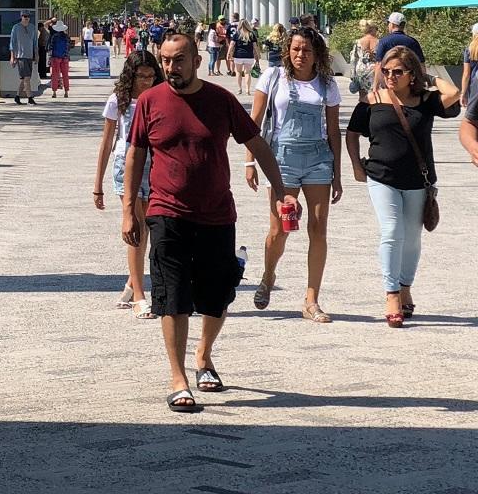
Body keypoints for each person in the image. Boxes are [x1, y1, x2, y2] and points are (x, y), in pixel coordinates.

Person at [122, 33, 294, 413]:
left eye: (179, 59)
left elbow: (257, 142)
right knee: (173, 295)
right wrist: (127, 211)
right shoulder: (150, 102)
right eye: (166, 60)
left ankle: (204, 355)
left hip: (216, 214)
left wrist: (280, 189)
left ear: (197, 60)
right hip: (166, 212)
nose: (171, 67)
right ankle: (178, 377)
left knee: (217, 296)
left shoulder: (220, 100)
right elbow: (135, 154)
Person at [345, 45, 460, 326]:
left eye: (398, 71)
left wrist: (428, 78)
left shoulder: (424, 100)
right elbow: (352, 133)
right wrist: (356, 166)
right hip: (381, 177)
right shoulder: (372, 99)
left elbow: (454, 94)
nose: (390, 76)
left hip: (418, 180)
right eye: (385, 71)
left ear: (412, 74)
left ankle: (406, 286)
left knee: (412, 238)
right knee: (392, 230)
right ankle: (392, 293)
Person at [245, 28, 342, 322]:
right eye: (296, 49)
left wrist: (337, 173)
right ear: (288, 50)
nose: (301, 55)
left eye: (307, 51)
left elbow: (334, 131)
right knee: (280, 228)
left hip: (318, 159)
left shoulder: (327, 85)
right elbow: (255, 122)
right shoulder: (273, 78)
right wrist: (249, 162)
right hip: (281, 159)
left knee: (318, 227)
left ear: (317, 55)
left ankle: (312, 299)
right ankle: (268, 274)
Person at [95, 50, 160, 318]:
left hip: (156, 164)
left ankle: (132, 284)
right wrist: (97, 183)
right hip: (126, 165)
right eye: (140, 76)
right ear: (129, 76)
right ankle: (140, 295)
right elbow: (106, 143)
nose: (145, 81)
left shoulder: (161, 98)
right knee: (136, 227)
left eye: (150, 76)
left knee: (154, 227)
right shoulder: (118, 101)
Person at [9, 11, 38, 105]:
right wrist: (12, 57)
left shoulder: (33, 27)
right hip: (20, 56)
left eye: (28, 16)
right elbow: (12, 43)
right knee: (27, 78)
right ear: (21, 17)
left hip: (29, 56)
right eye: (25, 16)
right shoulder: (16, 28)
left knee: (23, 79)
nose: (27, 18)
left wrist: (36, 55)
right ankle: (30, 98)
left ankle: (17, 96)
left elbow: (35, 43)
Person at [347, 19, 379, 100]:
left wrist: (352, 74)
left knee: (362, 95)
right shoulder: (379, 42)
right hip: (374, 69)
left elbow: (353, 58)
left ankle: (362, 109)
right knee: (374, 93)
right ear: (373, 29)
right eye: (376, 29)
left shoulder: (358, 41)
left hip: (361, 69)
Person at [462, 23, 478, 170]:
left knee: (472, 117)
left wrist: (463, 93)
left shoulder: (469, 49)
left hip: (474, 86)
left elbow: (466, 74)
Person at [229, 20, 257, 96]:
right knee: (247, 73)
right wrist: (257, 55)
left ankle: (239, 89)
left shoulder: (237, 34)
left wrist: (229, 53)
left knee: (238, 72)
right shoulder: (251, 34)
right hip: (249, 56)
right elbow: (255, 46)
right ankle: (247, 89)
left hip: (238, 55)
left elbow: (232, 44)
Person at [48, 20, 72, 98]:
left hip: (55, 57)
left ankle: (54, 92)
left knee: (55, 75)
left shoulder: (54, 37)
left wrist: (50, 58)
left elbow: (50, 47)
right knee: (65, 75)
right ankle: (66, 92)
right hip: (65, 58)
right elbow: (69, 47)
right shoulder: (67, 37)